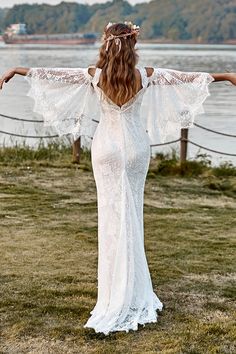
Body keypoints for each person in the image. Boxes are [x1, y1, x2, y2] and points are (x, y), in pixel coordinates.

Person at [0, 21, 236, 336]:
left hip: (106, 148)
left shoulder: (94, 76)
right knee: (131, 213)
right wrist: (225, 76)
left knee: (111, 216)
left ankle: (114, 292)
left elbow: (52, 74)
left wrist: (17, 69)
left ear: (106, 44)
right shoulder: (146, 75)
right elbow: (188, 78)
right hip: (136, 148)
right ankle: (134, 289)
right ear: (132, 45)